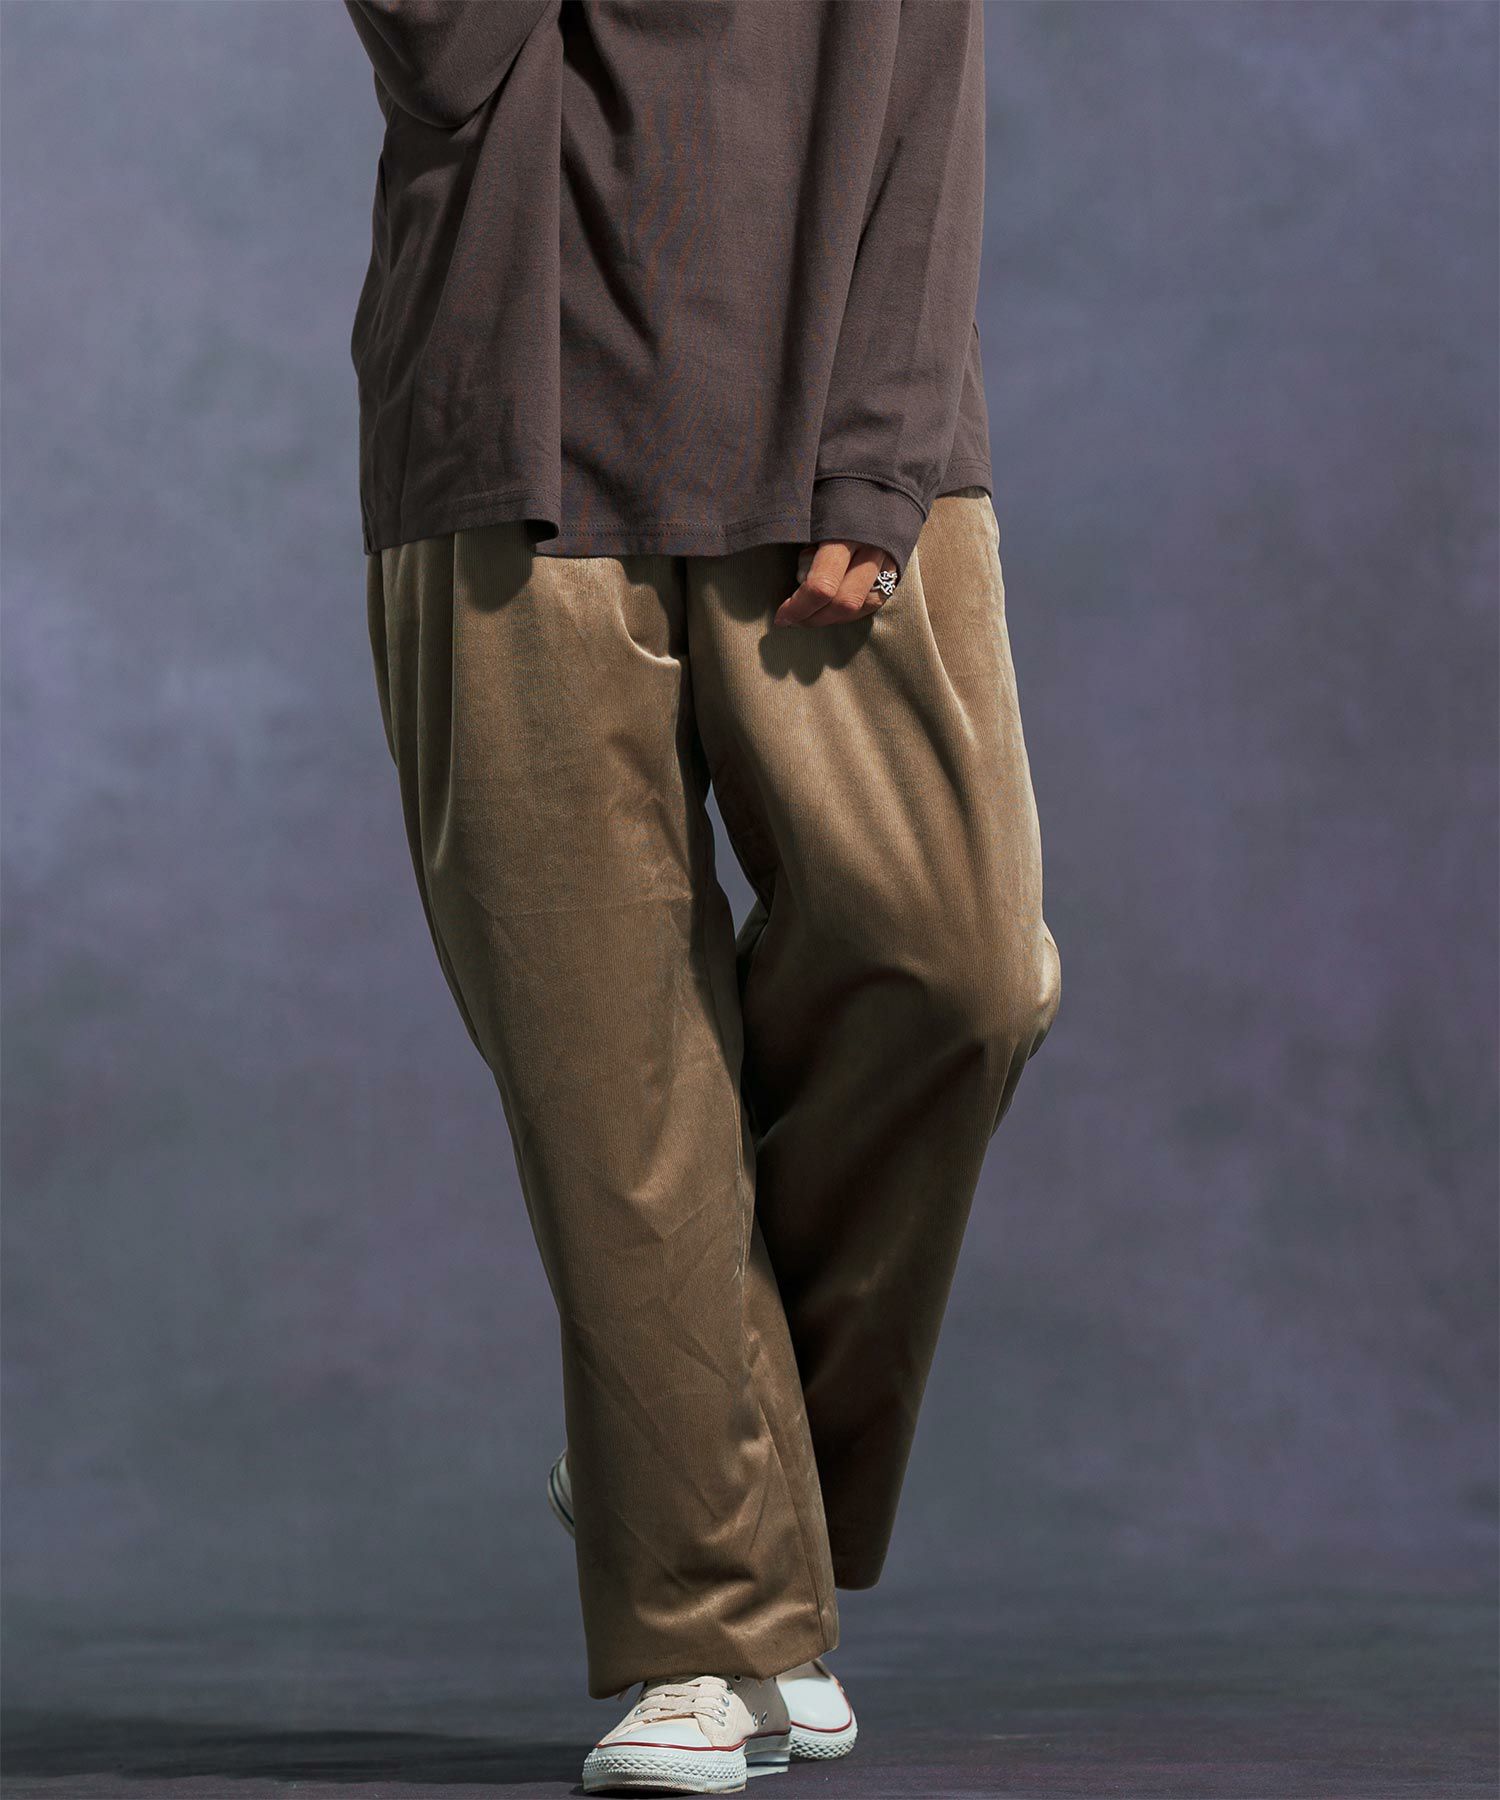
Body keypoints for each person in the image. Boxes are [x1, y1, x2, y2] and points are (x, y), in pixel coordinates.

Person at [342, 2, 1061, 1791]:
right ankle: (705, 1629)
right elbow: (441, 53)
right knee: (610, 1079)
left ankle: (696, 1472)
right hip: (504, 439)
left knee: (959, 971)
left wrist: (883, 452)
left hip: (826, 435)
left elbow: (922, 100)